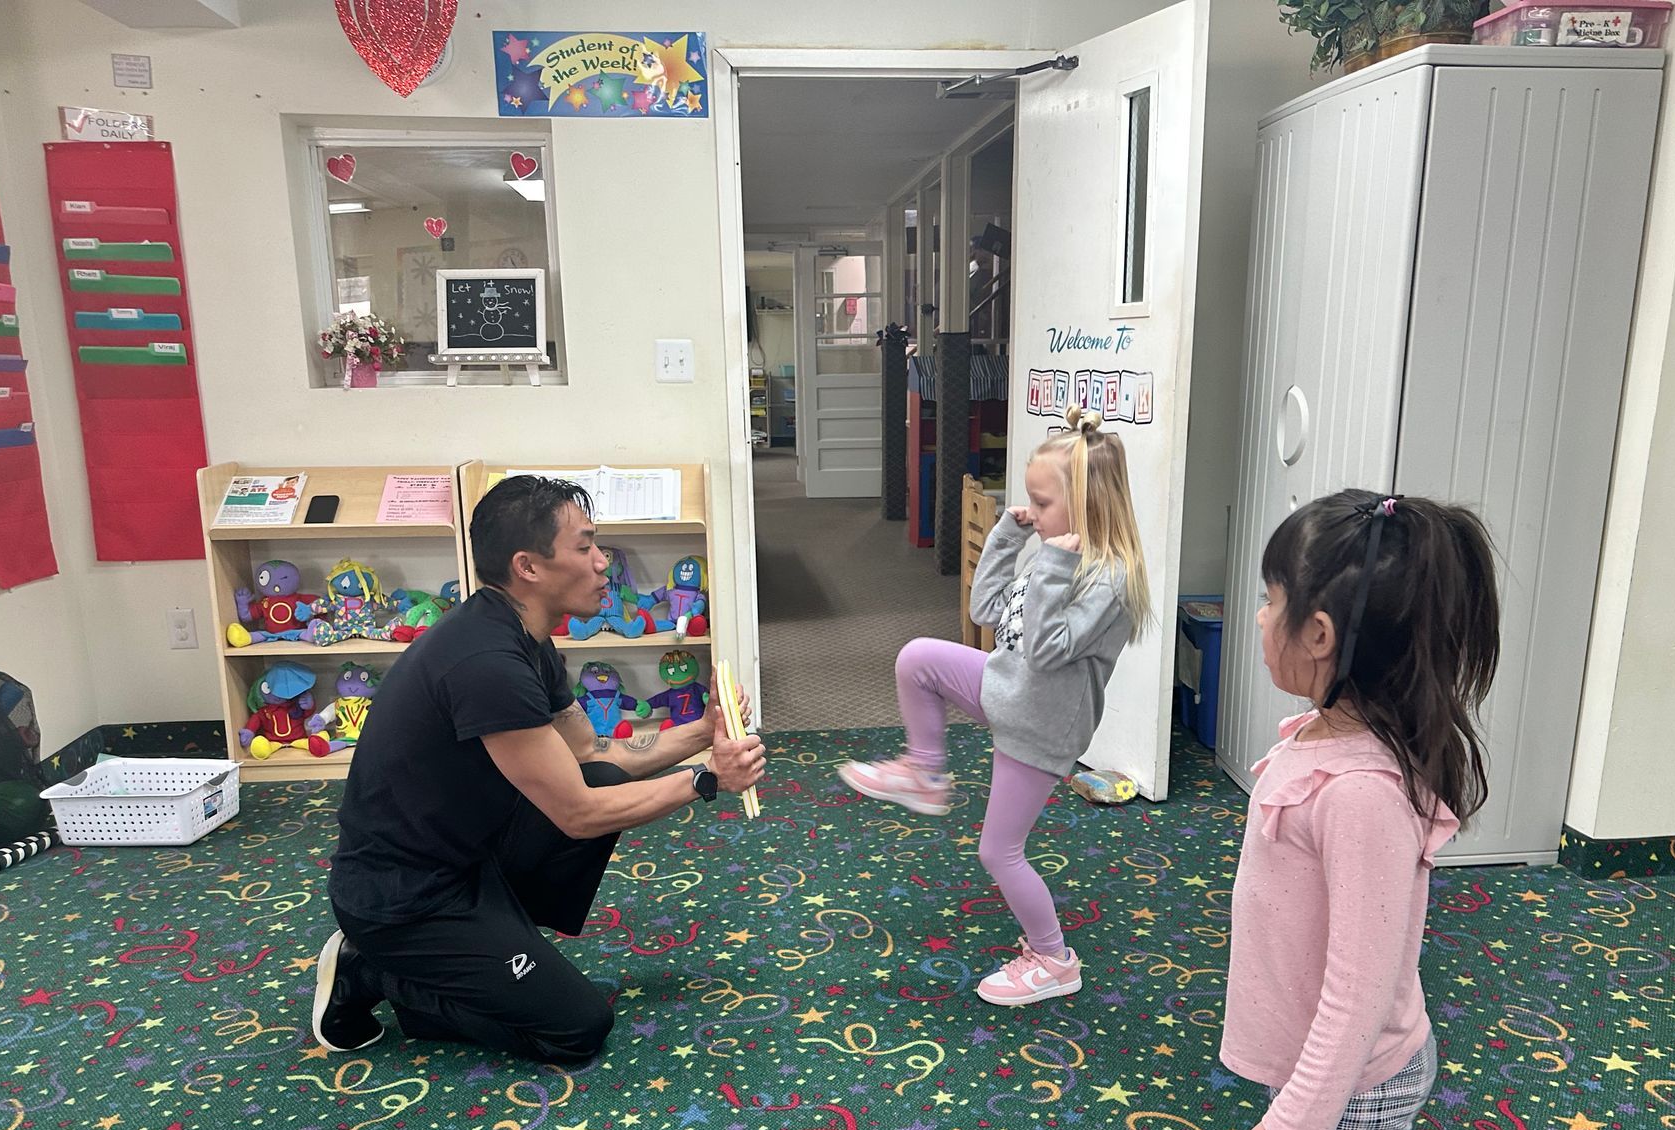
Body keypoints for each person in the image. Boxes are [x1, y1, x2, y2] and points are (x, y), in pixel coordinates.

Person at [1196, 490, 1500, 1130]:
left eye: (1267, 596)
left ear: (1319, 633)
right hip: (1329, 1068)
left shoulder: (1361, 792)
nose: (1256, 615)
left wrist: (1296, 1121)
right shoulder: (1323, 741)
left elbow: (1362, 989)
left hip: (1358, 1079)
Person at [311, 474, 766, 1063]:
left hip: (464, 857)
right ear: (528, 566)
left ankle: (487, 949)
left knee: (602, 778)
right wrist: (707, 779)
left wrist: (704, 732)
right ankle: (370, 972)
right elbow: (578, 816)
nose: (604, 563)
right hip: (402, 898)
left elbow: (593, 756)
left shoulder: (524, 636)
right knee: (577, 1028)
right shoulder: (488, 663)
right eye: (585, 547)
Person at [838, 404, 1151, 1006]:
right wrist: (1013, 536)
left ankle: (1055, 959)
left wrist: (1053, 565)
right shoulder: (1052, 550)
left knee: (999, 852)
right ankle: (924, 772)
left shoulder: (1109, 579)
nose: (1032, 511)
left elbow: (1046, 649)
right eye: (1028, 499)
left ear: (1087, 506)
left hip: (1040, 725)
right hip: (1007, 688)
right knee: (917, 659)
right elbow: (985, 611)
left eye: (1042, 502)